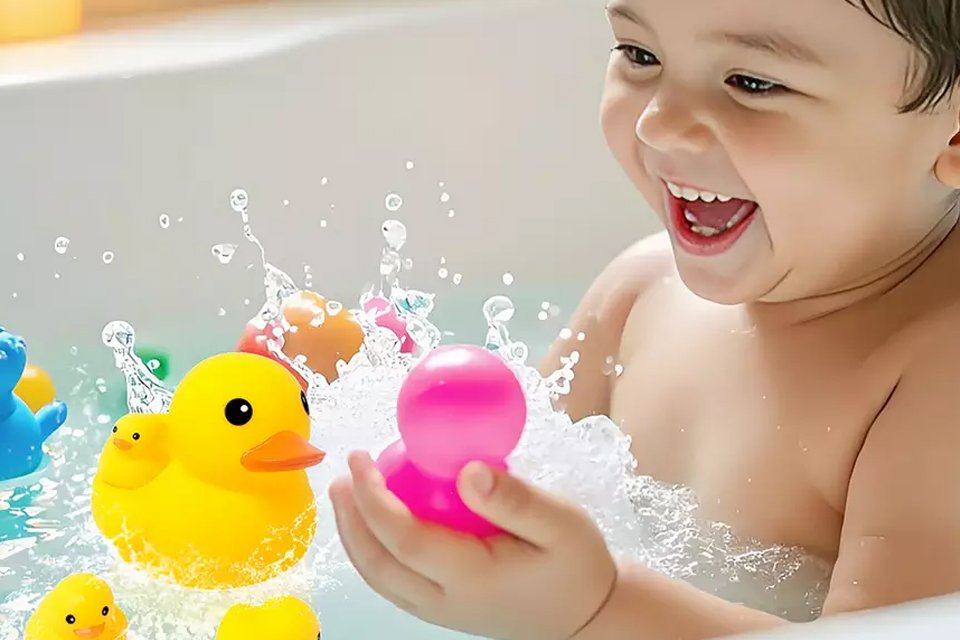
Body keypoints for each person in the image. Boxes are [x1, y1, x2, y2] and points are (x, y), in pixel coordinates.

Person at [329, 1, 960, 637]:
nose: (658, 125)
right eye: (640, 55)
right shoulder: (639, 292)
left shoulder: (935, 382)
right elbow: (517, 490)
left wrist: (599, 609)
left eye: (752, 83)